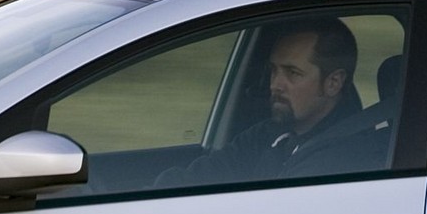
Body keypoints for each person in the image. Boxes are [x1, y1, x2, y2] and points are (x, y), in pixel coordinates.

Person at [152, 18, 393, 189]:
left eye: (292, 73)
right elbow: (194, 180)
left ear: (333, 82)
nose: (275, 84)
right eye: (274, 71)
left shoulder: (343, 160)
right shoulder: (269, 135)